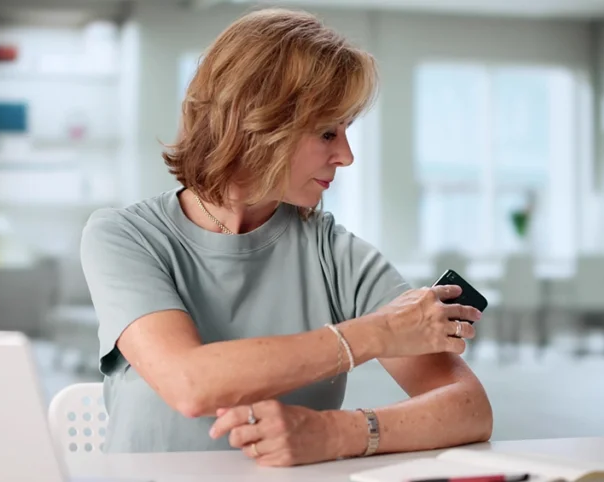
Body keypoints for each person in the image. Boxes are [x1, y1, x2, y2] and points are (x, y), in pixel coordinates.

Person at [80, 7, 493, 467]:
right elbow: (189, 384)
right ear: (256, 124)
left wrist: (336, 432)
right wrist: (379, 333)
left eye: (346, 131)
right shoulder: (124, 237)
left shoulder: (334, 253)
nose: (347, 156)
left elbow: (469, 408)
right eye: (326, 132)